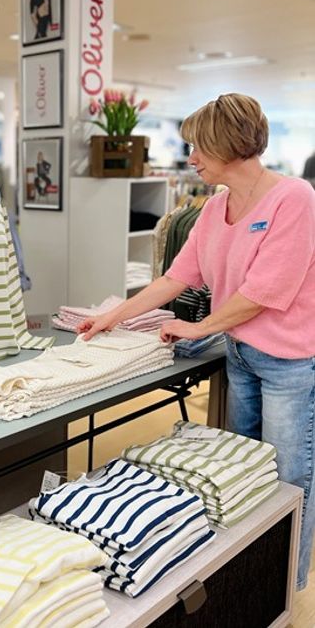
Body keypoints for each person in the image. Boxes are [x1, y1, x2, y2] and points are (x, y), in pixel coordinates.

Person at [80, 93, 315, 589]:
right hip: (241, 356)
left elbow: (264, 292)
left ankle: (284, 589)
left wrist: (199, 327)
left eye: (199, 148)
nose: (192, 159)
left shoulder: (295, 198)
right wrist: (112, 315)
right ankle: (247, 581)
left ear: (229, 145)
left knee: (291, 480)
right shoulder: (213, 211)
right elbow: (175, 279)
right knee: (241, 473)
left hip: (288, 365)